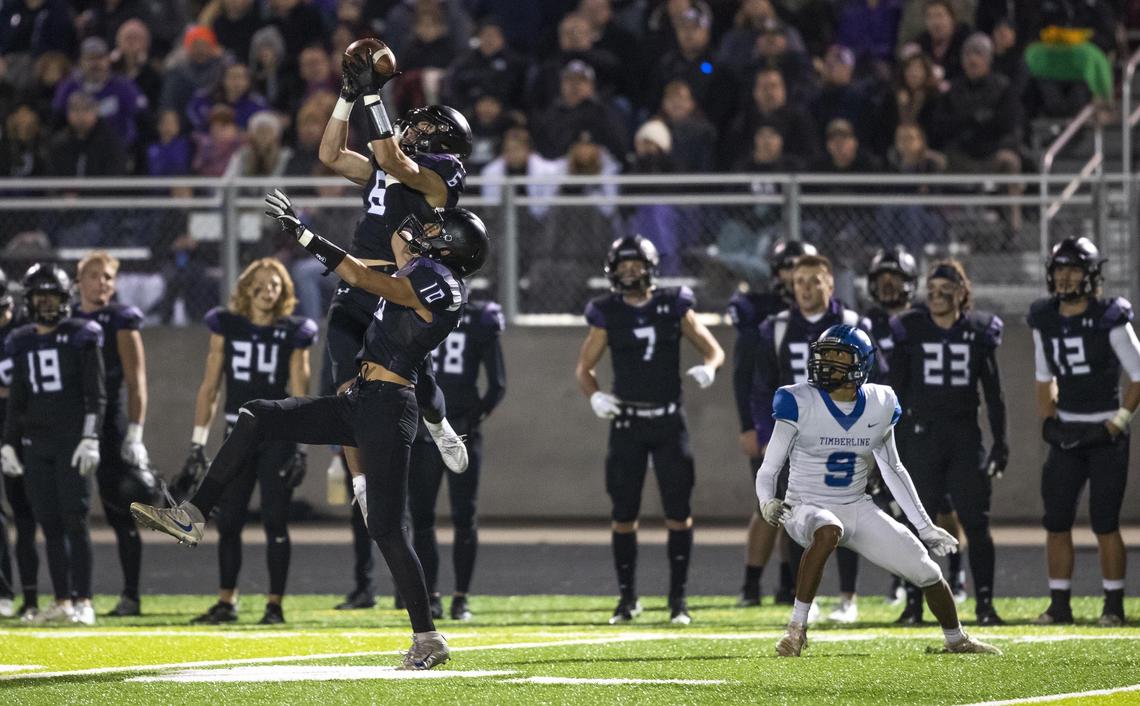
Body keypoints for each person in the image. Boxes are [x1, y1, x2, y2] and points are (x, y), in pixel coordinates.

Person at [132, 196, 490, 671]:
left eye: (438, 234)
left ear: (452, 250)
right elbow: (390, 257)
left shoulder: (441, 283)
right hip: (362, 399)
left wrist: (303, 235)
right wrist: (406, 229)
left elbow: (363, 276)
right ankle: (193, 515)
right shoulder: (425, 273)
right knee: (258, 414)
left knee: (386, 528)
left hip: (388, 408)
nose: (426, 235)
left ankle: (427, 637)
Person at [318, 45, 473, 607]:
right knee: (342, 377)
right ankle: (359, 481)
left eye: (423, 126)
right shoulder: (387, 166)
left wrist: (370, 92)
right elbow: (330, 153)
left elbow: (396, 161)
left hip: (399, 287)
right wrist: (344, 96)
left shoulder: (440, 175)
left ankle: (439, 422)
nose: (413, 129)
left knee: (402, 376)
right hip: (355, 281)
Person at [756, 324, 1000, 657]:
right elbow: (769, 467)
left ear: (861, 364)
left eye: (838, 355)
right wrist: (767, 501)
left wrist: (925, 527)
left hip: (856, 505)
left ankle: (957, 639)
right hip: (805, 507)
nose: (826, 361)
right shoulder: (798, 400)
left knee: (927, 570)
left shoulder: (880, 402)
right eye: (824, 353)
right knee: (829, 529)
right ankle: (796, 630)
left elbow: (893, 469)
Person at [575, 235, 725, 625]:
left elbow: (714, 348)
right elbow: (584, 369)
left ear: (651, 267)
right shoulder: (607, 312)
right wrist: (594, 397)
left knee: (679, 512)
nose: (630, 272)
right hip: (628, 422)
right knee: (623, 513)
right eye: (623, 266)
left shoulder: (673, 304)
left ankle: (678, 600)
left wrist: (710, 367)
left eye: (636, 265)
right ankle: (627, 599)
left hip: (668, 420)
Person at [174, 258, 315, 626]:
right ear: (246, 287)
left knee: (275, 519)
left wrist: (300, 447)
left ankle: (274, 605)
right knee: (230, 519)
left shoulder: (294, 331)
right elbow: (211, 386)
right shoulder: (227, 324)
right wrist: (197, 442)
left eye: (275, 285)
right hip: (237, 432)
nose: (269, 290)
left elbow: (301, 390)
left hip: (278, 433)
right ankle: (226, 601)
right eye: (262, 283)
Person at [749, 253, 872, 622]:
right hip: (799, 436)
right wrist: (763, 430)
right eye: (799, 281)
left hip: (845, 431)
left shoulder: (851, 323)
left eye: (813, 281)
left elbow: (874, 380)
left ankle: (847, 597)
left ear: (830, 284)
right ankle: (808, 596)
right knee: (796, 513)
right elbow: (761, 385)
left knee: (847, 508)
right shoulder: (779, 326)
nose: (804, 288)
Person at [1028, 237, 1140, 626]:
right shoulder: (1044, 318)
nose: (1064, 277)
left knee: (1105, 521)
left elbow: (1138, 376)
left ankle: (1113, 604)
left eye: (1073, 269)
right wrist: (1048, 422)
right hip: (1068, 429)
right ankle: (1059, 602)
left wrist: (1117, 423)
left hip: (1106, 431)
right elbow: (1044, 378)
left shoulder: (1110, 317)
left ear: (1091, 275)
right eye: (1059, 269)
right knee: (1056, 520)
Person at [888, 259, 1007, 625]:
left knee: (975, 521)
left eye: (945, 290)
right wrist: (893, 443)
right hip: (921, 435)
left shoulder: (979, 330)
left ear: (961, 293)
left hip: (964, 435)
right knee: (915, 525)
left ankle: (985, 605)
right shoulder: (910, 328)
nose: (937, 296)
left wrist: (1001, 442)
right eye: (932, 289)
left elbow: (994, 394)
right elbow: (896, 391)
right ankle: (912, 604)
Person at [1, 263, 106, 625]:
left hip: (72, 441)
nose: (46, 304)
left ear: (66, 298)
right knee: (49, 523)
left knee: (75, 520)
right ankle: (62, 600)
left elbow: (97, 396)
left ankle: (85, 600)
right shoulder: (22, 340)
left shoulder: (82, 334)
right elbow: (17, 402)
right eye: (39, 297)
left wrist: (91, 436)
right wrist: (9, 444)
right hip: (36, 442)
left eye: (52, 297)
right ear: (28, 301)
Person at [409, 291, 506, 621]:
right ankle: (443, 597)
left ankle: (449, 597)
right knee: (436, 516)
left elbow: (498, 385)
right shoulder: (470, 317)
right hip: (451, 428)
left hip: (431, 430)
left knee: (451, 516)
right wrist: (469, 418)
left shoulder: (420, 310)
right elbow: (497, 386)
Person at [730, 239, 817, 607]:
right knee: (767, 504)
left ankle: (788, 583)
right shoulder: (761, 313)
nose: (794, 277)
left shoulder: (825, 314)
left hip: (813, 427)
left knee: (798, 507)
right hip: (773, 424)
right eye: (787, 268)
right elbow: (745, 374)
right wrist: (749, 425)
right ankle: (751, 583)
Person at [71, 252, 151, 617]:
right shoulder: (66, 319)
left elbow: (136, 383)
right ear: (79, 281)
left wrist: (134, 433)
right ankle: (74, 595)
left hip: (110, 423)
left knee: (120, 511)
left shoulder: (120, 318)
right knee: (70, 511)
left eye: (107, 277)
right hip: (71, 422)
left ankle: (130, 595)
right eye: (94, 276)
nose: (101, 282)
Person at [0, 266, 39, 619]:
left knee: (28, 514)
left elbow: (27, 387)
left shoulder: (24, 332)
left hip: (23, 429)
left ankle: (34, 598)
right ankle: (4, 592)